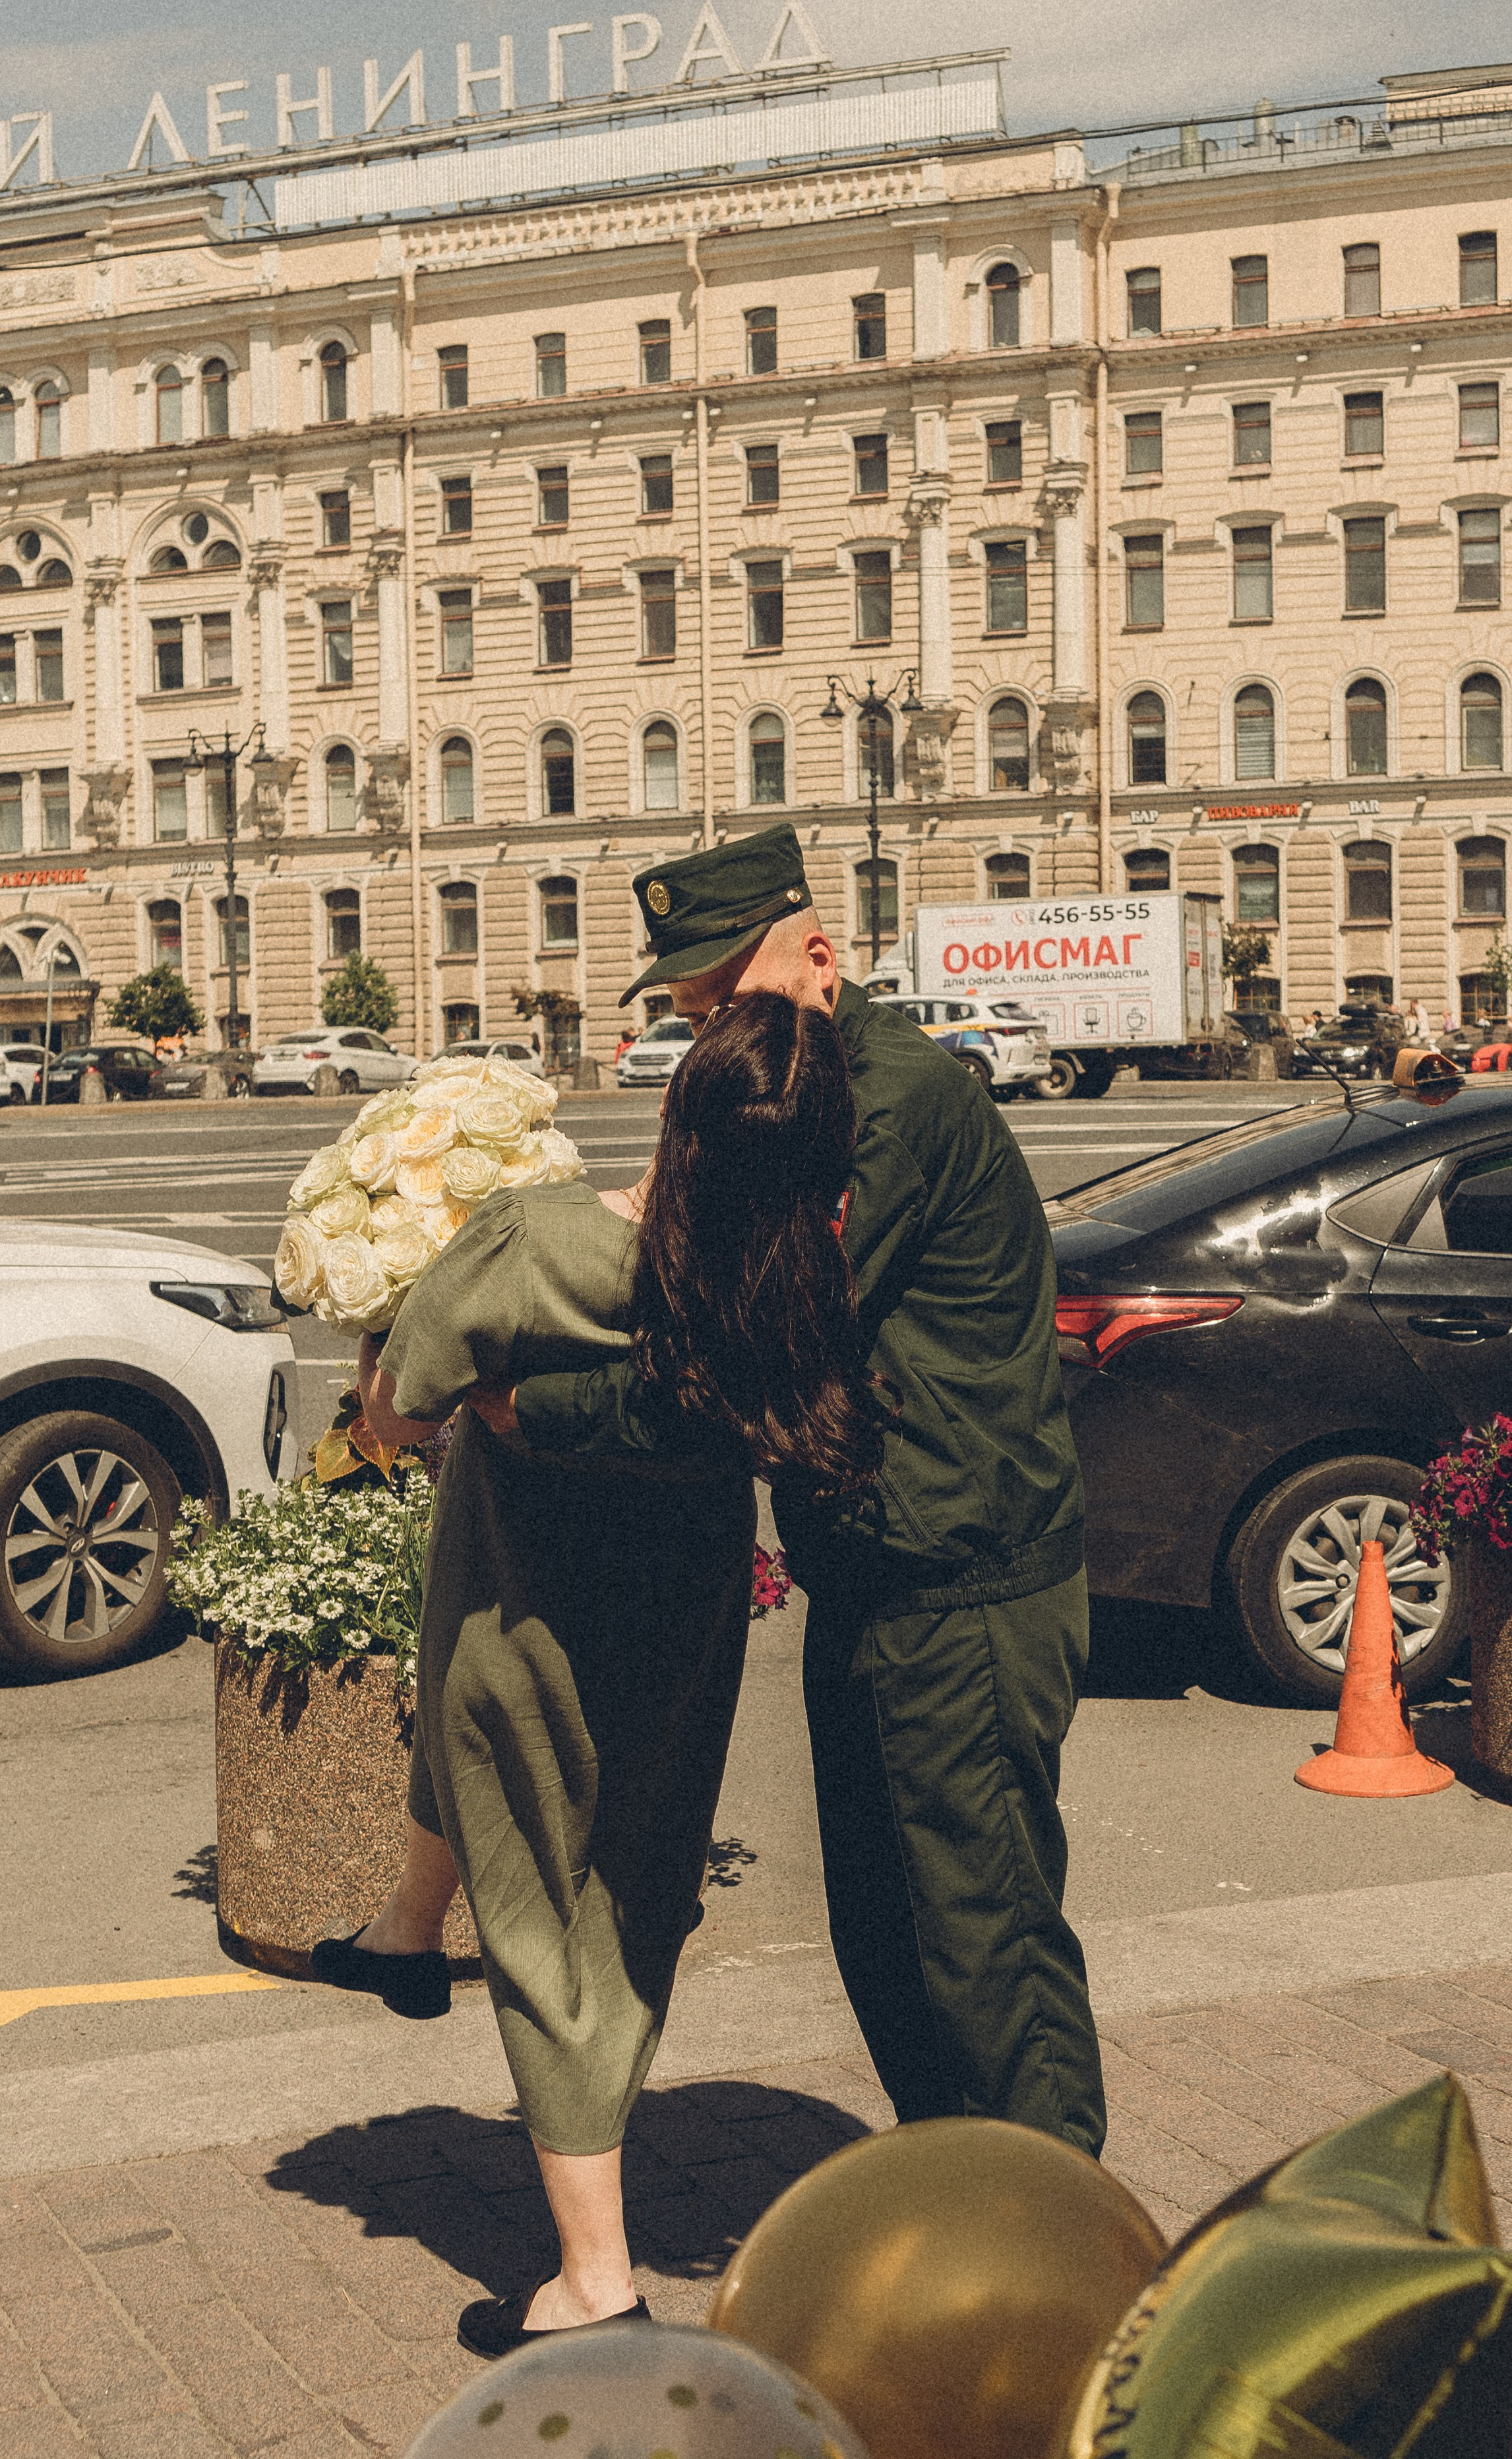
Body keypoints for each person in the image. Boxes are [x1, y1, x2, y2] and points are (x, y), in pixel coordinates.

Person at [479, 825, 1106, 2159]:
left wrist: (527, 1406)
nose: (707, 1030)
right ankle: (963, 2209)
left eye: (727, 995)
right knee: (888, 1939)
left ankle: (1071, 2266)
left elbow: (748, 1358)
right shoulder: (803, 1087)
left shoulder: (881, 1104)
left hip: (965, 1590)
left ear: (818, 957)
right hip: (878, 1577)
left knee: (984, 1945)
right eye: (695, 1006)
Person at [333, 993, 880, 2356]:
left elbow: (395, 1413)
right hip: (679, 1624)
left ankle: (594, 2278)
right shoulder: (790, 1292)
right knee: (628, 1885)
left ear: (674, 1116)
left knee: (538, 1920)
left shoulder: (536, 1243)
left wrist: (405, 1392)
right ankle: (404, 1932)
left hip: (519, 1621)